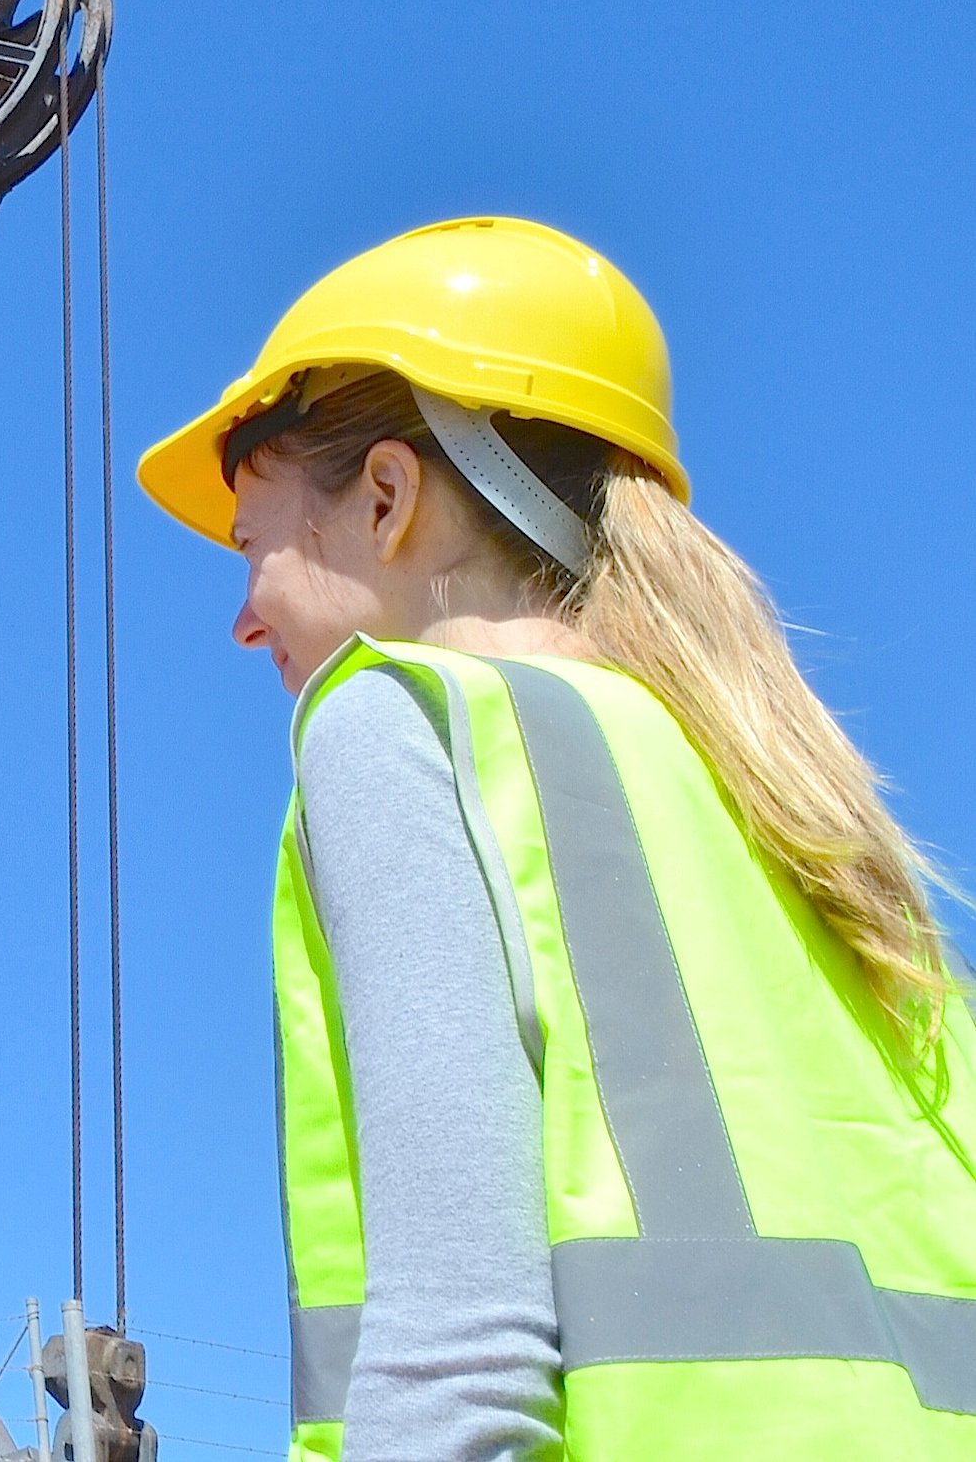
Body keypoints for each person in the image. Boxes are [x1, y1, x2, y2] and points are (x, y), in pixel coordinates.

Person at [134, 216, 976, 1461]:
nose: (243, 625)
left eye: (251, 545)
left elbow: (461, 1368)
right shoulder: (803, 818)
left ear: (383, 496)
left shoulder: (399, 723)